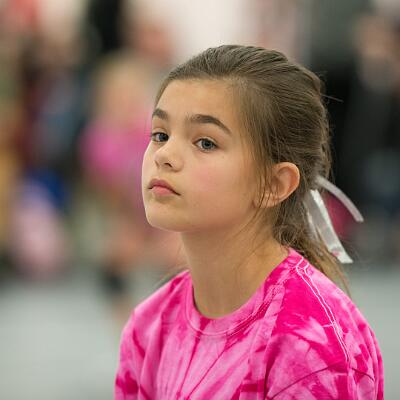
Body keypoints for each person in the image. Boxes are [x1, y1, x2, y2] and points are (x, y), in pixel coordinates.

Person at [114, 45, 384, 399]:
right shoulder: (149, 327)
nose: (164, 155)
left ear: (274, 184)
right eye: (160, 134)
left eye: (205, 142)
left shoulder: (310, 345)